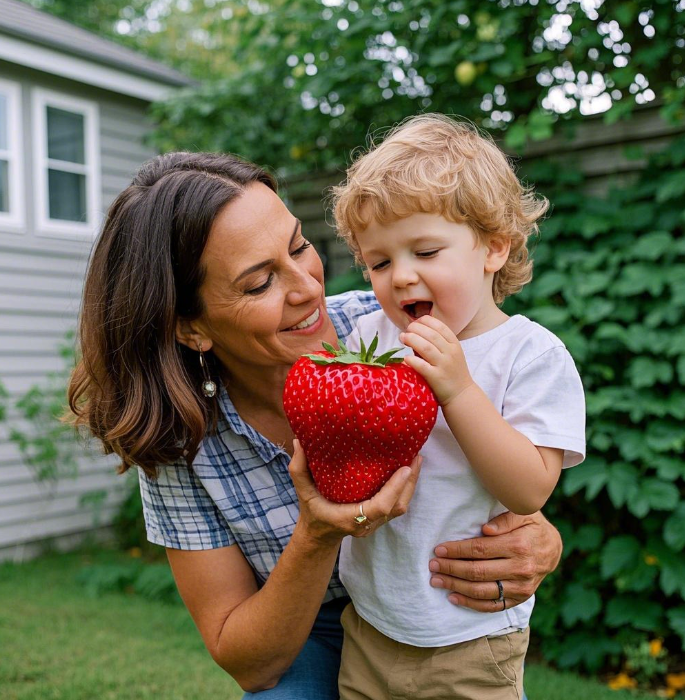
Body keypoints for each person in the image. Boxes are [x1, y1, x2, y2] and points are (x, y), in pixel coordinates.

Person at [68, 150, 565, 699]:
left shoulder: (389, 331)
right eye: (260, 284)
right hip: (304, 626)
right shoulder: (177, 439)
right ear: (191, 329)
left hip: (433, 611)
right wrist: (319, 531)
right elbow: (247, 660)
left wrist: (537, 534)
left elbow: (507, 454)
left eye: (299, 246)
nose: (308, 289)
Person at [332, 114, 586, 700]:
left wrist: (459, 389)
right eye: (378, 262)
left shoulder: (529, 354)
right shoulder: (367, 339)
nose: (401, 277)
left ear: (494, 247)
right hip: (371, 624)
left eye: (425, 250)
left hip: (471, 636)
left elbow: (529, 490)